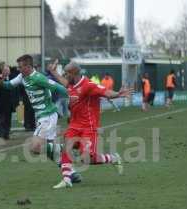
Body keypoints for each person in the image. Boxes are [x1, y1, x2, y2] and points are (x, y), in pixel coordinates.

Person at [48, 61, 132, 189]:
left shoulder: (88, 85)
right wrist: (53, 72)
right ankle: (66, 180)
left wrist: (118, 94)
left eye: (66, 73)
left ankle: (113, 158)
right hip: (74, 125)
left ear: (74, 73)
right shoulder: (70, 84)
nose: (64, 75)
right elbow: (64, 82)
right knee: (66, 147)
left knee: (86, 159)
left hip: (89, 127)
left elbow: (106, 92)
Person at [0, 54, 82, 183]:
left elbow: (57, 87)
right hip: (42, 117)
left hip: (47, 116)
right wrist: (1, 78)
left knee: (35, 147)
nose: (18, 69)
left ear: (28, 66)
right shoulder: (22, 76)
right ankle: (71, 173)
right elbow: (8, 85)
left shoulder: (38, 78)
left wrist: (71, 95)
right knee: (48, 150)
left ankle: (69, 147)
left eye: (20, 67)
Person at [0, 64, 16, 139]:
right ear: (2, 71)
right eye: (5, 70)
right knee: (1, 119)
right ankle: (1, 133)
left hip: (9, 103)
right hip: (0, 103)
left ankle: (6, 133)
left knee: (8, 119)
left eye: (8, 70)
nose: (7, 72)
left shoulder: (11, 78)